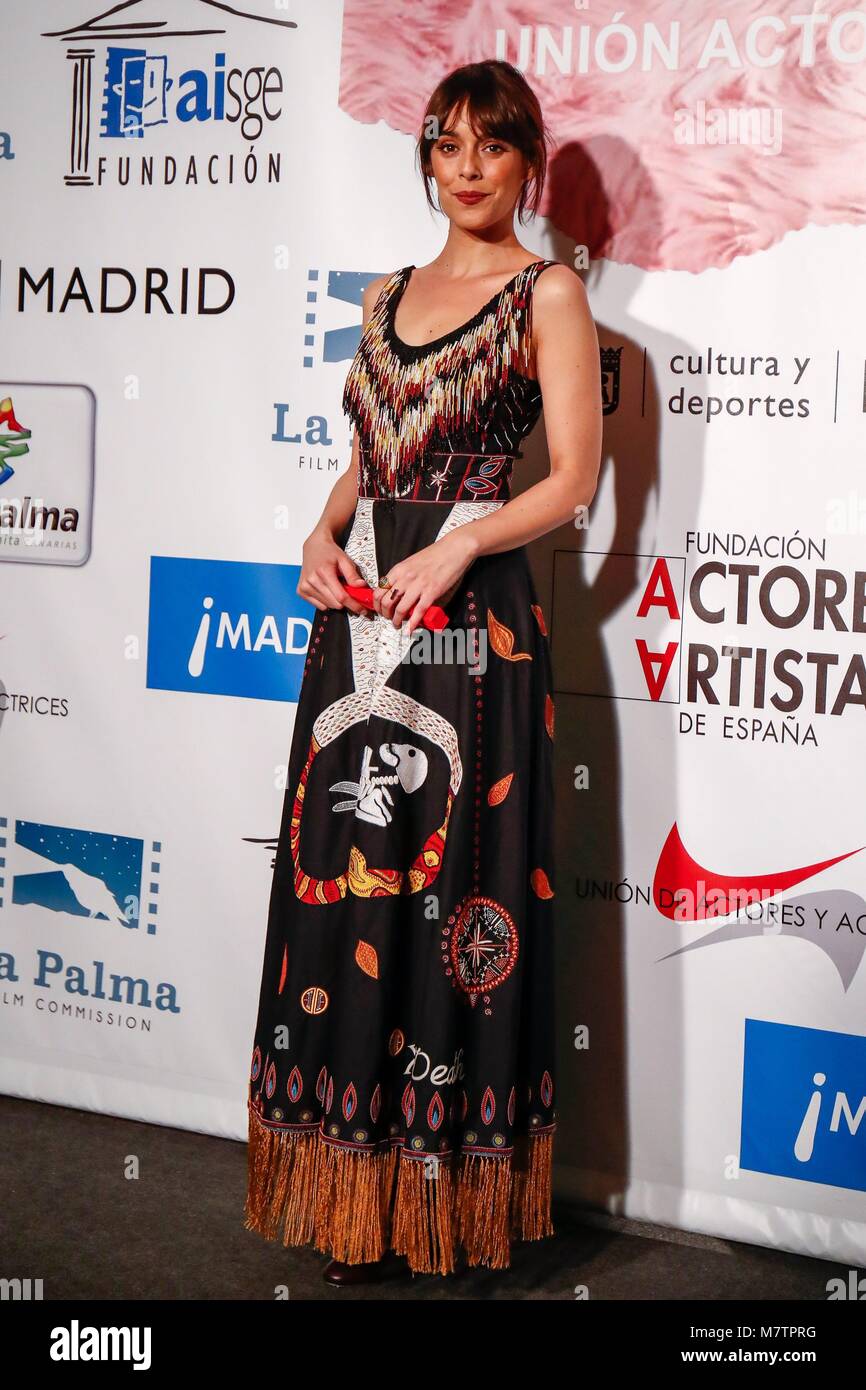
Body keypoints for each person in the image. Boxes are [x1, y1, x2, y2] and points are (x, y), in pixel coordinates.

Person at [244, 57, 602, 1283]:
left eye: (490, 147)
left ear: (524, 163)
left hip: (471, 626)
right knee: (352, 884)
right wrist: (318, 529)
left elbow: (570, 482)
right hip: (360, 616)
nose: (464, 166)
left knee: (452, 894)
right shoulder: (382, 297)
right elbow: (369, 452)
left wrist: (456, 550)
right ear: (426, 159)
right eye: (445, 143)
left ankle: (450, 1202)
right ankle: (356, 1186)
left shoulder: (547, 293)